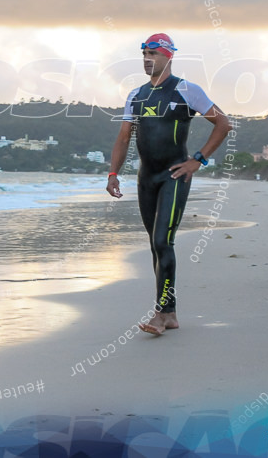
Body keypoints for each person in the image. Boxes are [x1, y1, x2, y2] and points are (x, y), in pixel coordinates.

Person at [106, 33, 231, 336]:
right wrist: (113, 173)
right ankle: (170, 312)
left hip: (174, 175)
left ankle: (162, 313)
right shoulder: (136, 95)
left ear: (168, 56)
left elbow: (223, 123)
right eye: (144, 54)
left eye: (153, 53)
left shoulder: (186, 90)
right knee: (155, 245)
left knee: (163, 241)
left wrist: (197, 160)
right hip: (146, 178)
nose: (148, 59)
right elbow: (124, 137)